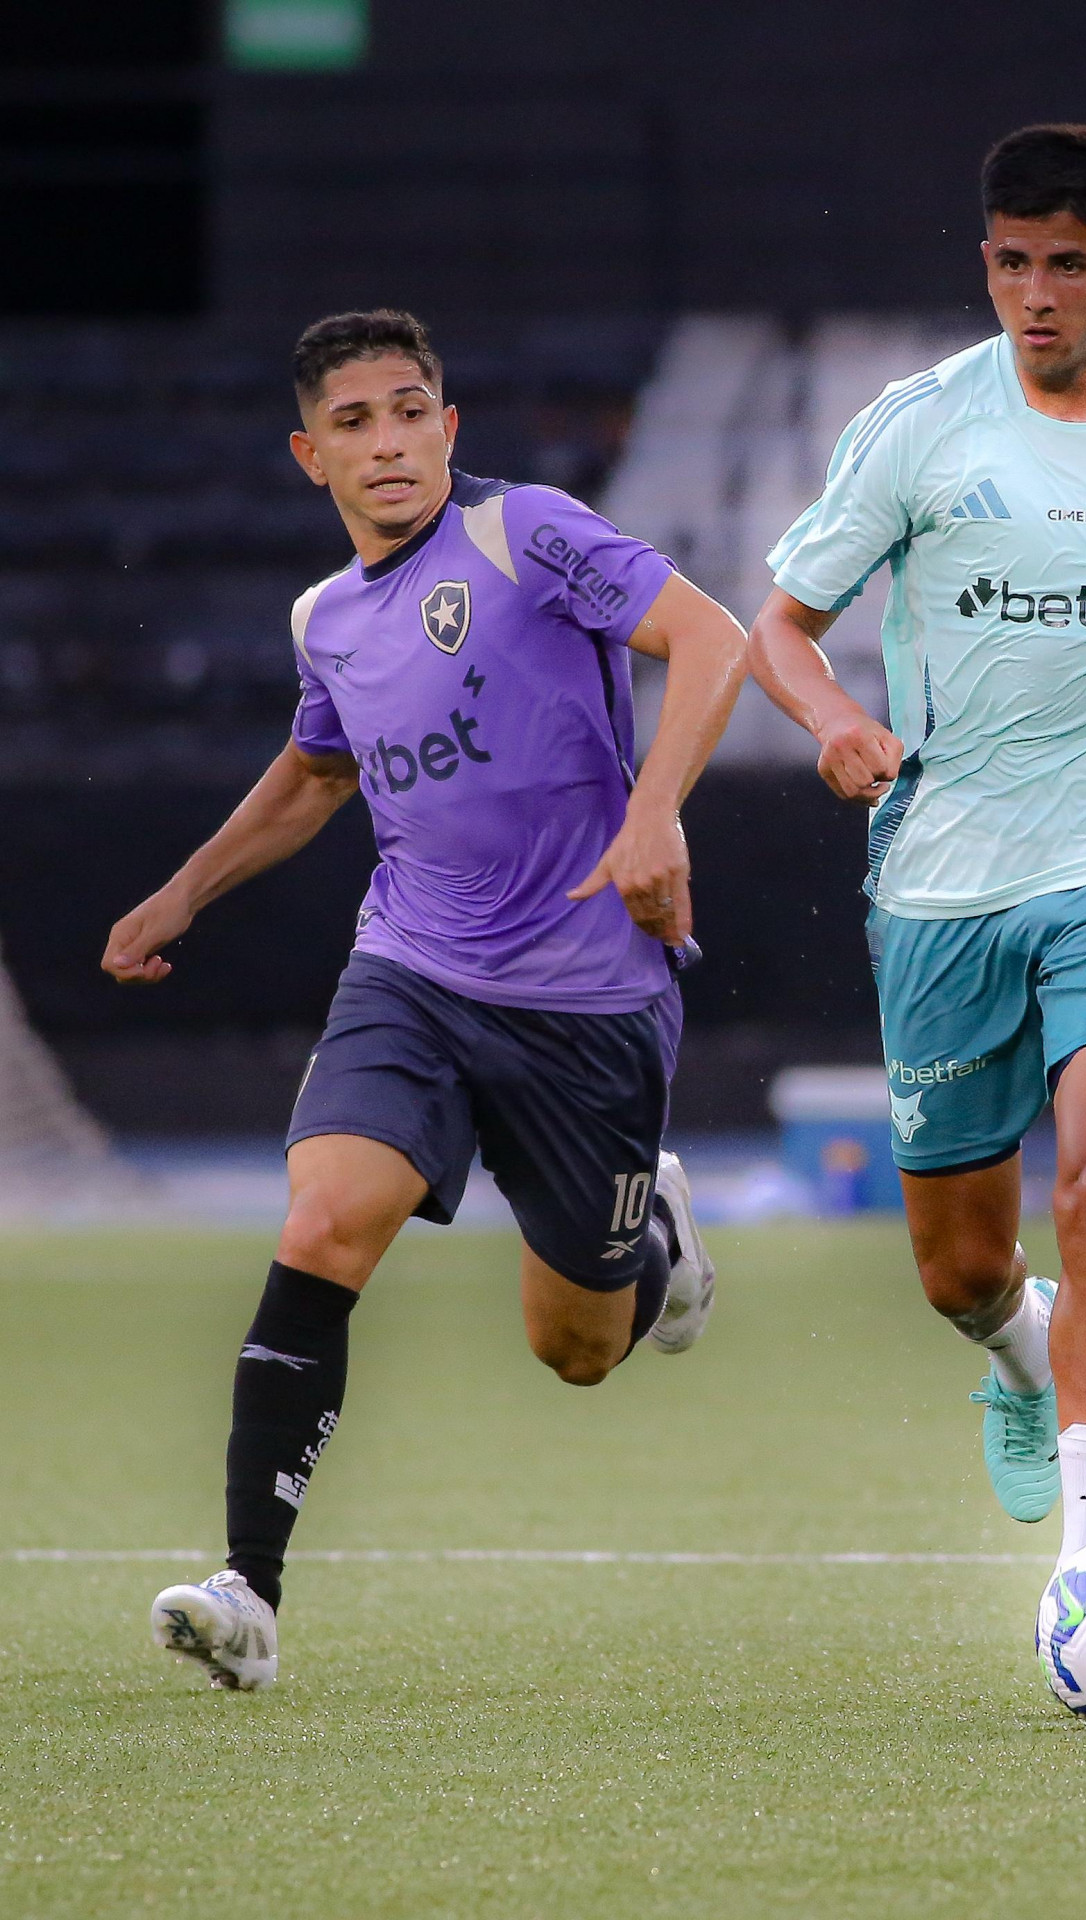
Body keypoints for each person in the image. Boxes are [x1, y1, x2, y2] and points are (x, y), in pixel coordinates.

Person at [104, 308, 746, 1689]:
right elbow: (319, 776)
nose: (387, 442)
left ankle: (654, 1249)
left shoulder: (533, 534)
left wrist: (654, 818)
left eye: (410, 412)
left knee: (575, 1349)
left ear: (449, 429)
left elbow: (713, 642)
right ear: (308, 456)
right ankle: (248, 1591)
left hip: (587, 1002)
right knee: (327, 1221)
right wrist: (184, 893)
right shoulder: (324, 619)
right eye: (354, 422)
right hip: (413, 968)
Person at [750, 125, 1086, 1568]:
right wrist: (830, 723)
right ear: (988, 264)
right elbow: (781, 628)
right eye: (1014, 263)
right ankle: (1022, 1351)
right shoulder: (921, 423)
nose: (1039, 293)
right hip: (945, 881)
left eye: (1070, 265)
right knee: (958, 1269)